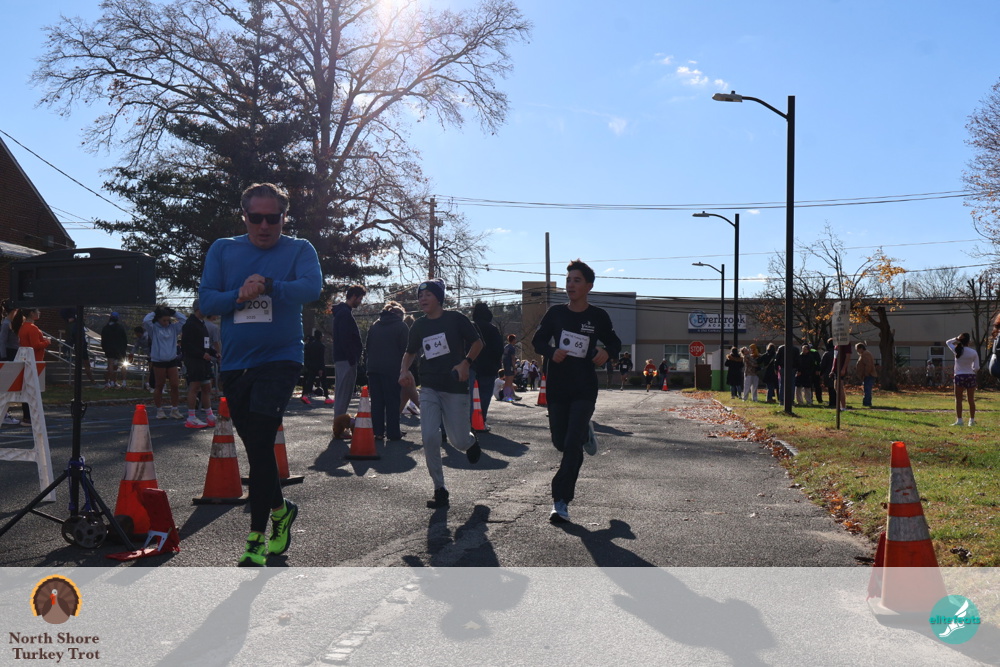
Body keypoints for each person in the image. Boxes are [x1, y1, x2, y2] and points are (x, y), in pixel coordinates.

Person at [199, 181, 322, 567]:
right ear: (245, 216)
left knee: (263, 437)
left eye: (273, 218)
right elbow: (206, 300)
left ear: (285, 217)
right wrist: (240, 294)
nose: (265, 225)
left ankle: (255, 538)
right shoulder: (224, 249)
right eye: (256, 218)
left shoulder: (300, 249)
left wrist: (269, 285)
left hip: (281, 359)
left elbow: (311, 288)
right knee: (256, 447)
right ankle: (282, 510)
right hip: (236, 364)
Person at [531, 259, 621, 523]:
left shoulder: (598, 316)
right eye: (568, 280)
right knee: (561, 442)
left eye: (577, 280)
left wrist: (606, 352)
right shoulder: (556, 313)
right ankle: (585, 432)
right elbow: (537, 341)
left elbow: (614, 342)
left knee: (571, 445)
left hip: (584, 388)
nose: (571, 284)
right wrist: (551, 352)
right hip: (558, 387)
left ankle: (560, 501)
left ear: (588, 286)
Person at [399, 278, 484, 509]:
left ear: (438, 298)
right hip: (429, 386)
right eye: (420, 296)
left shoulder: (456, 319)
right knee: (429, 436)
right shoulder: (419, 325)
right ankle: (440, 489)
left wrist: (466, 363)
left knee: (458, 441)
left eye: (427, 295)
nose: (422, 299)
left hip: (455, 387)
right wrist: (404, 370)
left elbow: (478, 343)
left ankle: (470, 442)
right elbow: (410, 352)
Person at [365, 302, 408, 441]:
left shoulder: (375, 326)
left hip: (373, 368)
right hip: (392, 369)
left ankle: (377, 432)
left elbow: (368, 347)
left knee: (377, 401)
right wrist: (407, 368)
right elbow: (406, 350)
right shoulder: (401, 326)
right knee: (392, 401)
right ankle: (393, 432)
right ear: (400, 315)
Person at [143, 306, 187, 419]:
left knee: (175, 385)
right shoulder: (154, 329)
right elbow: (146, 320)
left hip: (172, 360)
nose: (166, 322)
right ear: (158, 319)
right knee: (159, 385)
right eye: (164, 320)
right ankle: (159, 410)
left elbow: (184, 320)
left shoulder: (173, 328)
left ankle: (174, 409)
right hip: (159, 360)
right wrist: (155, 312)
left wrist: (174, 313)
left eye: (168, 320)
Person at [180, 300, 217, 428]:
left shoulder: (202, 324)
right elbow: (186, 345)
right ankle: (191, 417)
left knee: (207, 388)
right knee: (194, 387)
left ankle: (210, 415)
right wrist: (201, 354)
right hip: (194, 360)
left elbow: (206, 344)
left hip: (204, 361)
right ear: (198, 309)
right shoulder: (190, 324)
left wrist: (214, 352)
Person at [331, 285, 366, 420]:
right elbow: (345, 338)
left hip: (342, 358)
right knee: (344, 393)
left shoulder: (341, 313)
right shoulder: (345, 314)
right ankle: (339, 423)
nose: (360, 302)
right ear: (354, 297)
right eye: (360, 298)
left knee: (342, 392)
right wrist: (352, 358)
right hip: (346, 359)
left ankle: (339, 421)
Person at [470, 301, 504, 432]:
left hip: (471, 365)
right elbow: (499, 349)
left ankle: (469, 421)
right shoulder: (492, 329)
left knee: (470, 396)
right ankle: (481, 420)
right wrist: (496, 363)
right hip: (488, 367)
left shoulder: (470, 327)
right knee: (484, 395)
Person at [13, 308, 50, 426]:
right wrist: (47, 342)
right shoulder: (33, 328)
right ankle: (31, 417)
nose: (39, 313)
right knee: (34, 391)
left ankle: (27, 417)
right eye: (37, 311)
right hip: (35, 361)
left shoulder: (23, 327)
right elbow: (35, 345)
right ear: (31, 313)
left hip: (26, 360)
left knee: (27, 390)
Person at [947, 332, 979, 426]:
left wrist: (956, 338)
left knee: (958, 399)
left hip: (959, 376)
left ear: (960, 340)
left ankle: (959, 420)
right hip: (970, 376)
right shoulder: (973, 352)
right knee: (971, 399)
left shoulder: (957, 350)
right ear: (969, 341)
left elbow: (948, 342)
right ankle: (971, 421)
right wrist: (972, 370)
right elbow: (977, 367)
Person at [0, 302, 21, 424]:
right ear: (14, 311)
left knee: (7, 386)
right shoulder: (6, 324)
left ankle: (4, 413)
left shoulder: (12, 323)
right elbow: (2, 341)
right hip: (7, 355)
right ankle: (4, 414)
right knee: (5, 386)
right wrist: (3, 358)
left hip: (12, 354)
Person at [301, 330, 332, 404]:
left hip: (312, 366)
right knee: (323, 382)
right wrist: (321, 368)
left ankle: (305, 395)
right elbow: (321, 358)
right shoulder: (321, 346)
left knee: (310, 381)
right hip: (319, 366)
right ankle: (327, 397)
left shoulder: (311, 345)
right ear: (320, 337)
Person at [100, 312, 129, 389]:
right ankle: (124, 382)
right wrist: (124, 348)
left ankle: (112, 382)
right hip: (120, 349)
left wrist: (105, 349)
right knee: (123, 365)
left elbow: (103, 340)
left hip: (109, 349)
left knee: (111, 365)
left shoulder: (105, 328)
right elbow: (125, 339)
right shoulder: (120, 327)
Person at [855, 343, 877, 408]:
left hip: (869, 375)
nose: (857, 351)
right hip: (867, 375)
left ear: (861, 348)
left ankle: (867, 403)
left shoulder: (865, 354)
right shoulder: (863, 354)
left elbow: (868, 364)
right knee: (866, 389)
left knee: (867, 389)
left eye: (857, 349)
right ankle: (866, 402)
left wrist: (866, 373)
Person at [820, 339, 837, 408]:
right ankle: (837, 402)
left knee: (831, 388)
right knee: (836, 388)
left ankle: (832, 402)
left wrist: (821, 373)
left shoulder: (827, 354)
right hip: (836, 372)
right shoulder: (838, 353)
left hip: (828, 373)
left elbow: (822, 365)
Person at [501, 334, 517, 401]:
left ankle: (506, 395)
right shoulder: (512, 348)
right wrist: (514, 368)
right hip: (510, 366)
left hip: (505, 365)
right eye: (515, 339)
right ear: (513, 340)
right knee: (509, 382)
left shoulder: (506, 347)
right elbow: (513, 359)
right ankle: (507, 396)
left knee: (506, 381)